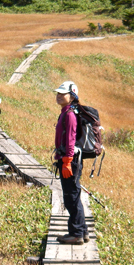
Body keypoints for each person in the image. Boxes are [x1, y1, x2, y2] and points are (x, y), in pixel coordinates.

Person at [53, 81, 88, 245]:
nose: (59, 96)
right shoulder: (66, 112)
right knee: (74, 195)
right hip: (69, 160)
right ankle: (83, 231)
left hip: (70, 161)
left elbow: (70, 139)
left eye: (62, 93)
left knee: (70, 197)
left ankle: (76, 233)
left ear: (72, 95)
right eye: (58, 93)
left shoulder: (69, 115)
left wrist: (66, 161)